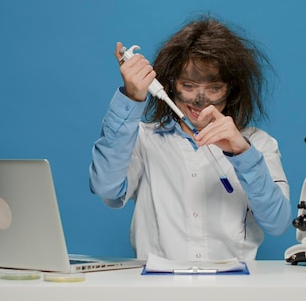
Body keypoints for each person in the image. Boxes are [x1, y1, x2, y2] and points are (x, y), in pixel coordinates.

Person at [89, 16, 291, 262]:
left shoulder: (257, 144)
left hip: (233, 289)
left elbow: (278, 223)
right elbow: (106, 188)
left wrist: (242, 154)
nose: (200, 100)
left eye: (215, 87)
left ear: (232, 89)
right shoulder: (143, 139)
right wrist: (131, 98)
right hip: (159, 289)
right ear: (171, 85)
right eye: (189, 85)